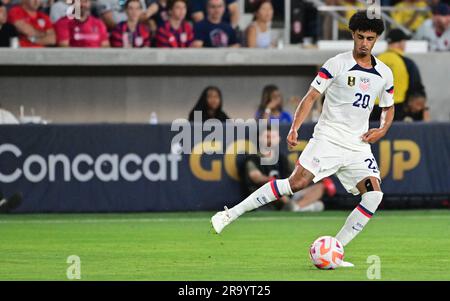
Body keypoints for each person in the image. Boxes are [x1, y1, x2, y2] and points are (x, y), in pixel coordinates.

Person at [211, 11, 395, 268]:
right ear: (352, 35)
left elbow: (389, 106)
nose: (365, 43)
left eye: (371, 39)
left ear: (376, 40)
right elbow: (311, 97)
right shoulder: (336, 64)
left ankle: (336, 251)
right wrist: (295, 127)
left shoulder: (385, 73)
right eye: (361, 37)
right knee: (295, 184)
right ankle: (229, 214)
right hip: (328, 138)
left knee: (374, 196)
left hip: (358, 145)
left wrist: (383, 129)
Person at [240, 126, 337, 213]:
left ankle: (295, 207)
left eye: (273, 137)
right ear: (260, 139)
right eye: (267, 137)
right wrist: (272, 182)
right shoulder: (253, 158)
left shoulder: (282, 159)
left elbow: (296, 176)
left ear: (278, 139)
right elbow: (256, 177)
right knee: (273, 187)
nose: (270, 140)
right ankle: (300, 207)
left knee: (320, 187)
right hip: (269, 197)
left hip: (288, 193)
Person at [372, 28, 425, 121]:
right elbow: (416, 88)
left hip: (373, 111)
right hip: (397, 110)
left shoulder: (373, 60)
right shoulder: (407, 63)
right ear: (401, 43)